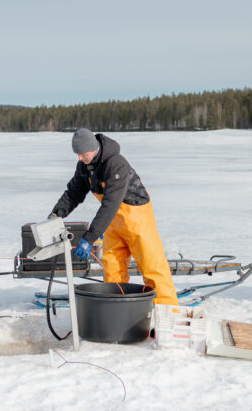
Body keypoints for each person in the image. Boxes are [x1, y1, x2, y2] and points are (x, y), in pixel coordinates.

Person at [49, 128, 178, 306]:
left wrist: (90, 237)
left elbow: (111, 203)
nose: (79, 158)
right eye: (77, 154)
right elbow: (73, 193)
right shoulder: (85, 166)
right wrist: (56, 215)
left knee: (152, 266)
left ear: (93, 148)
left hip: (137, 218)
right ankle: (116, 309)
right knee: (112, 268)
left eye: (82, 153)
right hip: (112, 222)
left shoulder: (115, 164)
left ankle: (167, 309)